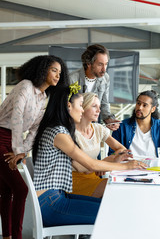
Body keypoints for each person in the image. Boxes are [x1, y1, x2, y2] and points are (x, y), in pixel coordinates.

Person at [32, 82, 146, 229]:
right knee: (113, 214)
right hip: (50, 204)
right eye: (80, 105)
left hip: (57, 197)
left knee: (112, 207)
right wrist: (126, 166)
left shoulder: (58, 130)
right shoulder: (59, 133)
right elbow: (90, 165)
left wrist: (114, 162)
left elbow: (86, 166)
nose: (82, 110)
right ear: (68, 106)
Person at [0, 55, 69, 239]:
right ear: (42, 69)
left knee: (7, 189)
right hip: (1, 136)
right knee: (21, 189)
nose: (57, 75)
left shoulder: (43, 97)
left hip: (13, 141)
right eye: (54, 70)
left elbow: (34, 131)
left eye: (59, 72)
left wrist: (22, 152)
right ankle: (17, 236)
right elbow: (16, 119)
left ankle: (7, 236)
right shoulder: (25, 86)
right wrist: (18, 150)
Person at [72, 92, 127, 198]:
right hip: (75, 181)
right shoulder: (70, 133)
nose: (99, 110)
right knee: (115, 188)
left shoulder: (98, 129)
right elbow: (80, 167)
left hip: (94, 178)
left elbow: (122, 149)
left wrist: (108, 160)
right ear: (82, 107)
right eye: (94, 106)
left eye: (99, 107)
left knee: (119, 186)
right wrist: (103, 164)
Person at [69, 44, 120, 131]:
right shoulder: (72, 79)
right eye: (100, 64)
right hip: (74, 127)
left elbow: (104, 103)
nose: (104, 69)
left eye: (106, 64)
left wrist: (109, 120)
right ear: (89, 63)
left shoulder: (105, 78)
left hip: (91, 127)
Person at [108, 90, 160, 159]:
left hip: (154, 168)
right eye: (138, 103)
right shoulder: (122, 127)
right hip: (127, 167)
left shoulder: (158, 127)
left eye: (144, 105)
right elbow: (111, 154)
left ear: (153, 109)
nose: (140, 107)